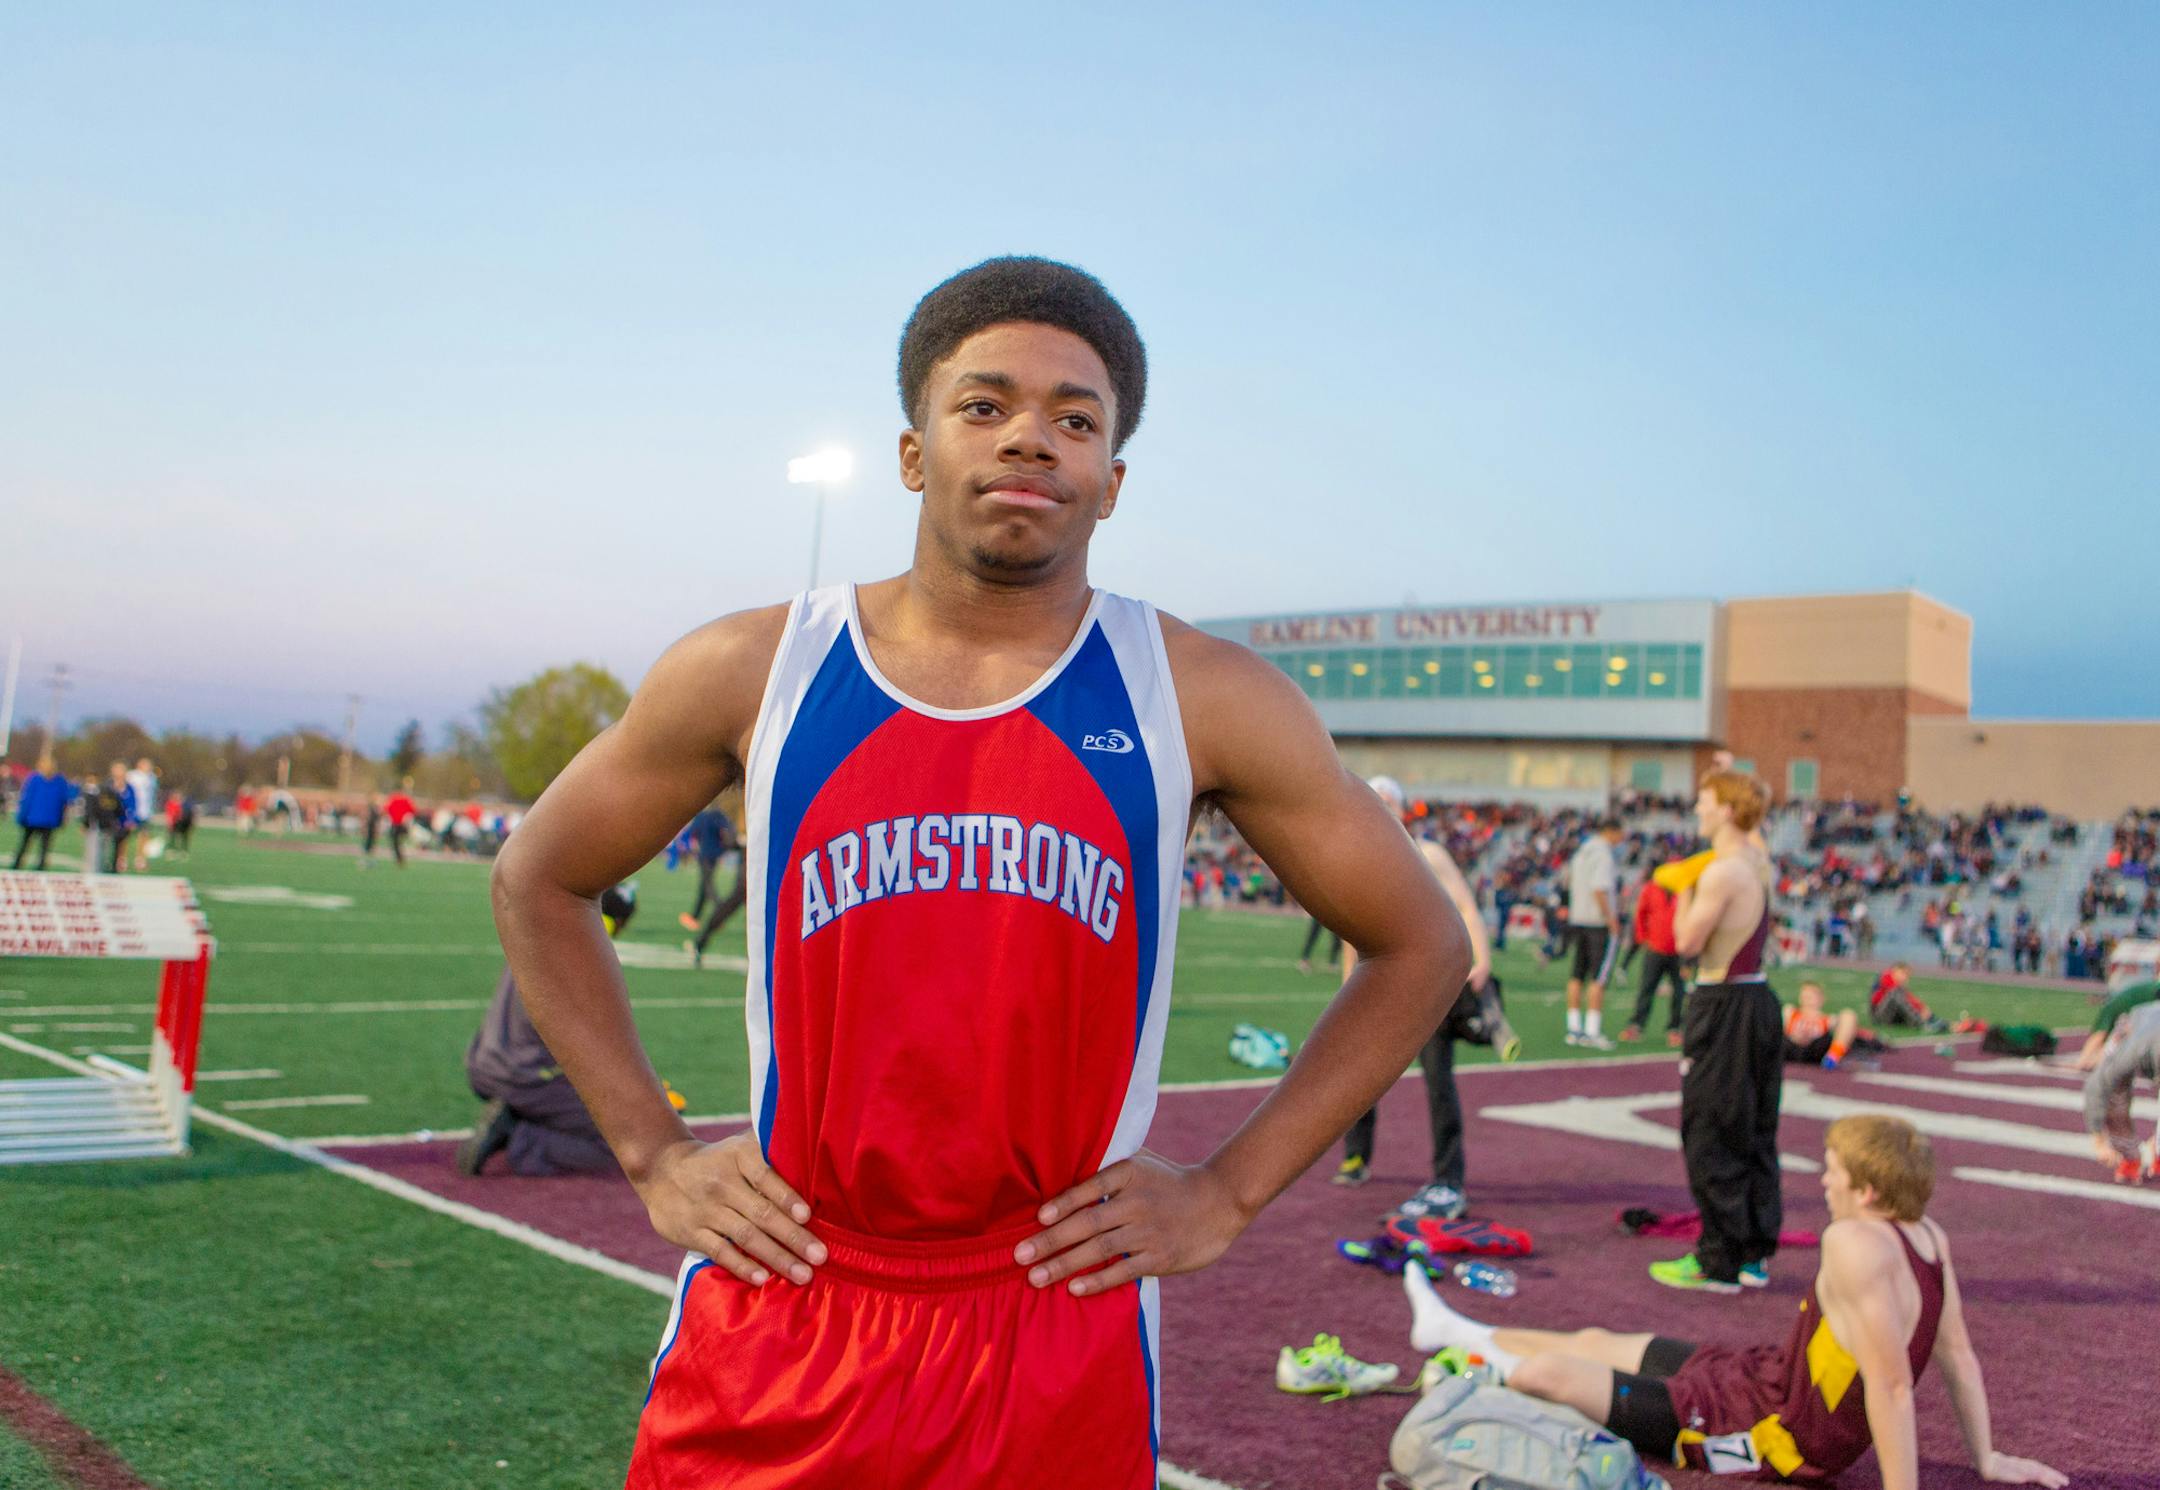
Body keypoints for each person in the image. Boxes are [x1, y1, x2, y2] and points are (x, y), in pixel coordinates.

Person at [488, 256, 1469, 1490]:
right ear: (912, 452)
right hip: (790, 1287)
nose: (1031, 440)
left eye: (1075, 419)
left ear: (1112, 483)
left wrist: (1225, 1191)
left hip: (1054, 1307)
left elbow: (1422, 941)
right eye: (986, 404)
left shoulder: (1205, 695)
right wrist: (650, 1148)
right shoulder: (754, 667)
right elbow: (538, 876)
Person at [1406, 1115, 2066, 1490]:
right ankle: (1454, 1327)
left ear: (1866, 1190)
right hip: (1771, 1378)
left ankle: (1470, 1367)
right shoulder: (1926, 1236)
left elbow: (1893, 1388)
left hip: (1774, 1435)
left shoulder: (1854, 1243)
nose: (1824, 1177)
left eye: (1833, 1168)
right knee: (1598, 1339)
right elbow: (1958, 1356)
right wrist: (1985, 1457)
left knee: (1549, 1378)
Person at [1336, 776, 1509, 1223]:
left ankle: (1448, 1176)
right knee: (1360, 1074)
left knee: (1438, 1080)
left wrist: (1481, 960)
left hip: (1429, 984)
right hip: (1380, 984)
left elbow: (1466, 905)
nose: (1377, 809)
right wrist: (1346, 987)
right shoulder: (1362, 862)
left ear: (1401, 807)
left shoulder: (1428, 853)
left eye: (1385, 801)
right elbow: (1350, 934)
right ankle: (1356, 1158)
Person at [1657, 770, 1780, 1294]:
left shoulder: (1721, 872)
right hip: (1758, 998)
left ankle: (1718, 1260)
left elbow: (1685, 941)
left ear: (1726, 811)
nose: (1697, 810)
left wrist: (1681, 887)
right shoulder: (1757, 861)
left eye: (1705, 802)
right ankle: (1752, 1252)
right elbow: (1758, 835)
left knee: (1709, 1128)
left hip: (1722, 1001)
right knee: (1753, 1129)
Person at [460, 883, 642, 1178]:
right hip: (526, 1077)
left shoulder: (540, 930)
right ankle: (521, 1139)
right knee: (631, 1140)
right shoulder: (585, 954)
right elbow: (588, 1051)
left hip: (482, 1064)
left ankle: (516, 1116)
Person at [2083, 1000, 2160, 1183]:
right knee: (2114, 1091)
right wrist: (2098, 1138)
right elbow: (2097, 1084)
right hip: (2136, 1022)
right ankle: (2130, 1155)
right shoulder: (2131, 1048)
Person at [1563, 818, 1624, 1049]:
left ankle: (1574, 1028)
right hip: (1597, 923)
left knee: (1576, 975)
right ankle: (1592, 1030)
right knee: (1598, 977)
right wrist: (1611, 917)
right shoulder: (1604, 855)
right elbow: (1599, 888)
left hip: (1578, 919)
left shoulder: (1581, 852)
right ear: (1612, 831)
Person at [1621, 866, 1688, 1048]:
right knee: (1646, 988)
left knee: (1679, 992)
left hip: (1678, 950)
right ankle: (1636, 1025)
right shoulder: (1651, 889)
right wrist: (1643, 938)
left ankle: (1675, 1028)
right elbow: (1641, 914)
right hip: (1655, 948)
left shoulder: (1684, 890)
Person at [680, 807, 748, 969]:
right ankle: (700, 943)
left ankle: (700, 942)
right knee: (739, 899)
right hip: (754, 853)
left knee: (732, 899)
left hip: (751, 852)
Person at [1781, 982, 1882, 1071]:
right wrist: (1794, 1036)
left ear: (1821, 999)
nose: (1808, 999)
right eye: (1806, 996)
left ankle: (1833, 1057)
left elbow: (1847, 1023)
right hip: (1792, 1045)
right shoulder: (1792, 1012)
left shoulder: (1826, 1019)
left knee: (1848, 1015)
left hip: (1816, 1048)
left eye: (1812, 996)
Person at [2075, 977, 2159, 1070]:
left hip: (2130, 1010)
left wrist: (2084, 1059)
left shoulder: (2113, 1007)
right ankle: (2093, 1062)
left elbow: (2099, 1036)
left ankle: (2092, 1061)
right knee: (2117, 1041)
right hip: (2130, 1012)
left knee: (2115, 1040)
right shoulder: (2116, 1009)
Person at [676, 805, 737, 931]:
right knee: (704, 887)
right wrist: (724, 848)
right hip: (715, 854)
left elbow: (693, 833)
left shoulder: (701, 816)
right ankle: (694, 917)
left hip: (704, 855)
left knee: (708, 887)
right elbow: (727, 829)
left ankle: (720, 914)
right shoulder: (718, 815)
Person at [10, 754, 74, 871]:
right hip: (50, 819)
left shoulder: (34, 779)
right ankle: (41, 867)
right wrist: (61, 819)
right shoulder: (60, 781)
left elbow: (27, 799)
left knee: (25, 843)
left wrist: (21, 817)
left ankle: (17, 865)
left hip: (32, 818)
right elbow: (65, 801)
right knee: (44, 846)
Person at [1869, 962, 1948, 1034]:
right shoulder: (1886, 977)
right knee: (1895, 994)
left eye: (1907, 976)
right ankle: (1920, 1023)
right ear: (1895, 970)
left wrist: (1924, 1009)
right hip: (1879, 1016)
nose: (1905, 978)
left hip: (1890, 1013)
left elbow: (1909, 998)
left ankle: (1932, 1021)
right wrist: (1921, 1009)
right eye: (1903, 974)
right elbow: (1906, 998)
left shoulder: (1896, 983)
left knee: (1902, 998)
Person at [126, 757, 160, 871]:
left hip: (146, 812)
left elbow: (153, 795)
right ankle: (122, 858)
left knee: (144, 835)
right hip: (133, 810)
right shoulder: (132, 776)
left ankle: (140, 859)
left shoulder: (153, 778)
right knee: (127, 834)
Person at [384, 780, 417, 867]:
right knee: (396, 841)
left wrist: (407, 819)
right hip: (396, 824)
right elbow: (388, 810)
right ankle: (400, 858)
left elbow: (412, 811)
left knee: (399, 841)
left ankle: (402, 856)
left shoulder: (404, 799)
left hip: (402, 824)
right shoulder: (395, 798)